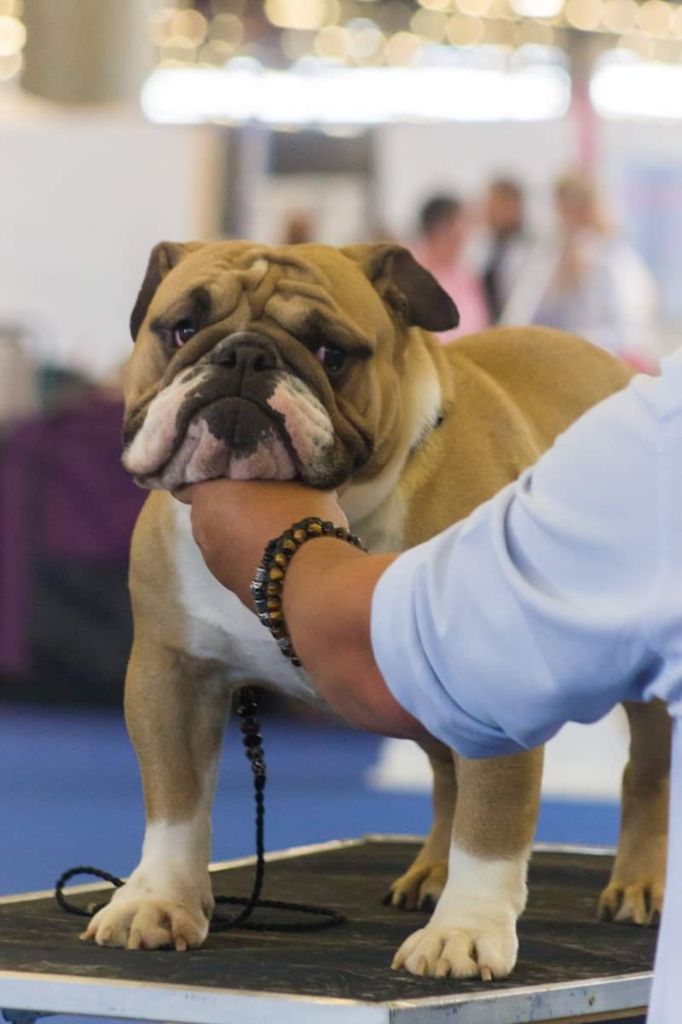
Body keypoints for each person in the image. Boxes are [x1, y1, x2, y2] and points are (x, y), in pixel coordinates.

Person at [179, 345, 682, 1023]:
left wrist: (284, 557)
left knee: (523, 673)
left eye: (328, 353)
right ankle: (448, 825)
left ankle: (649, 810)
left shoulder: (656, 435)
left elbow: (474, 662)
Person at [501, 172, 661, 370]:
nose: (568, 215)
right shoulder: (547, 253)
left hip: (607, 363)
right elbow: (525, 315)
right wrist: (560, 284)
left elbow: (627, 326)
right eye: (563, 207)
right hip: (558, 361)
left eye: (575, 207)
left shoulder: (614, 256)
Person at [412, 194, 489, 341]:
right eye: (463, 224)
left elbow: (481, 326)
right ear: (442, 229)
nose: (467, 235)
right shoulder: (406, 273)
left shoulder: (466, 276)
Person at [481, 178, 530, 323]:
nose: (488, 212)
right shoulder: (482, 245)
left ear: (513, 207)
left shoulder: (532, 251)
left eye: (494, 206)